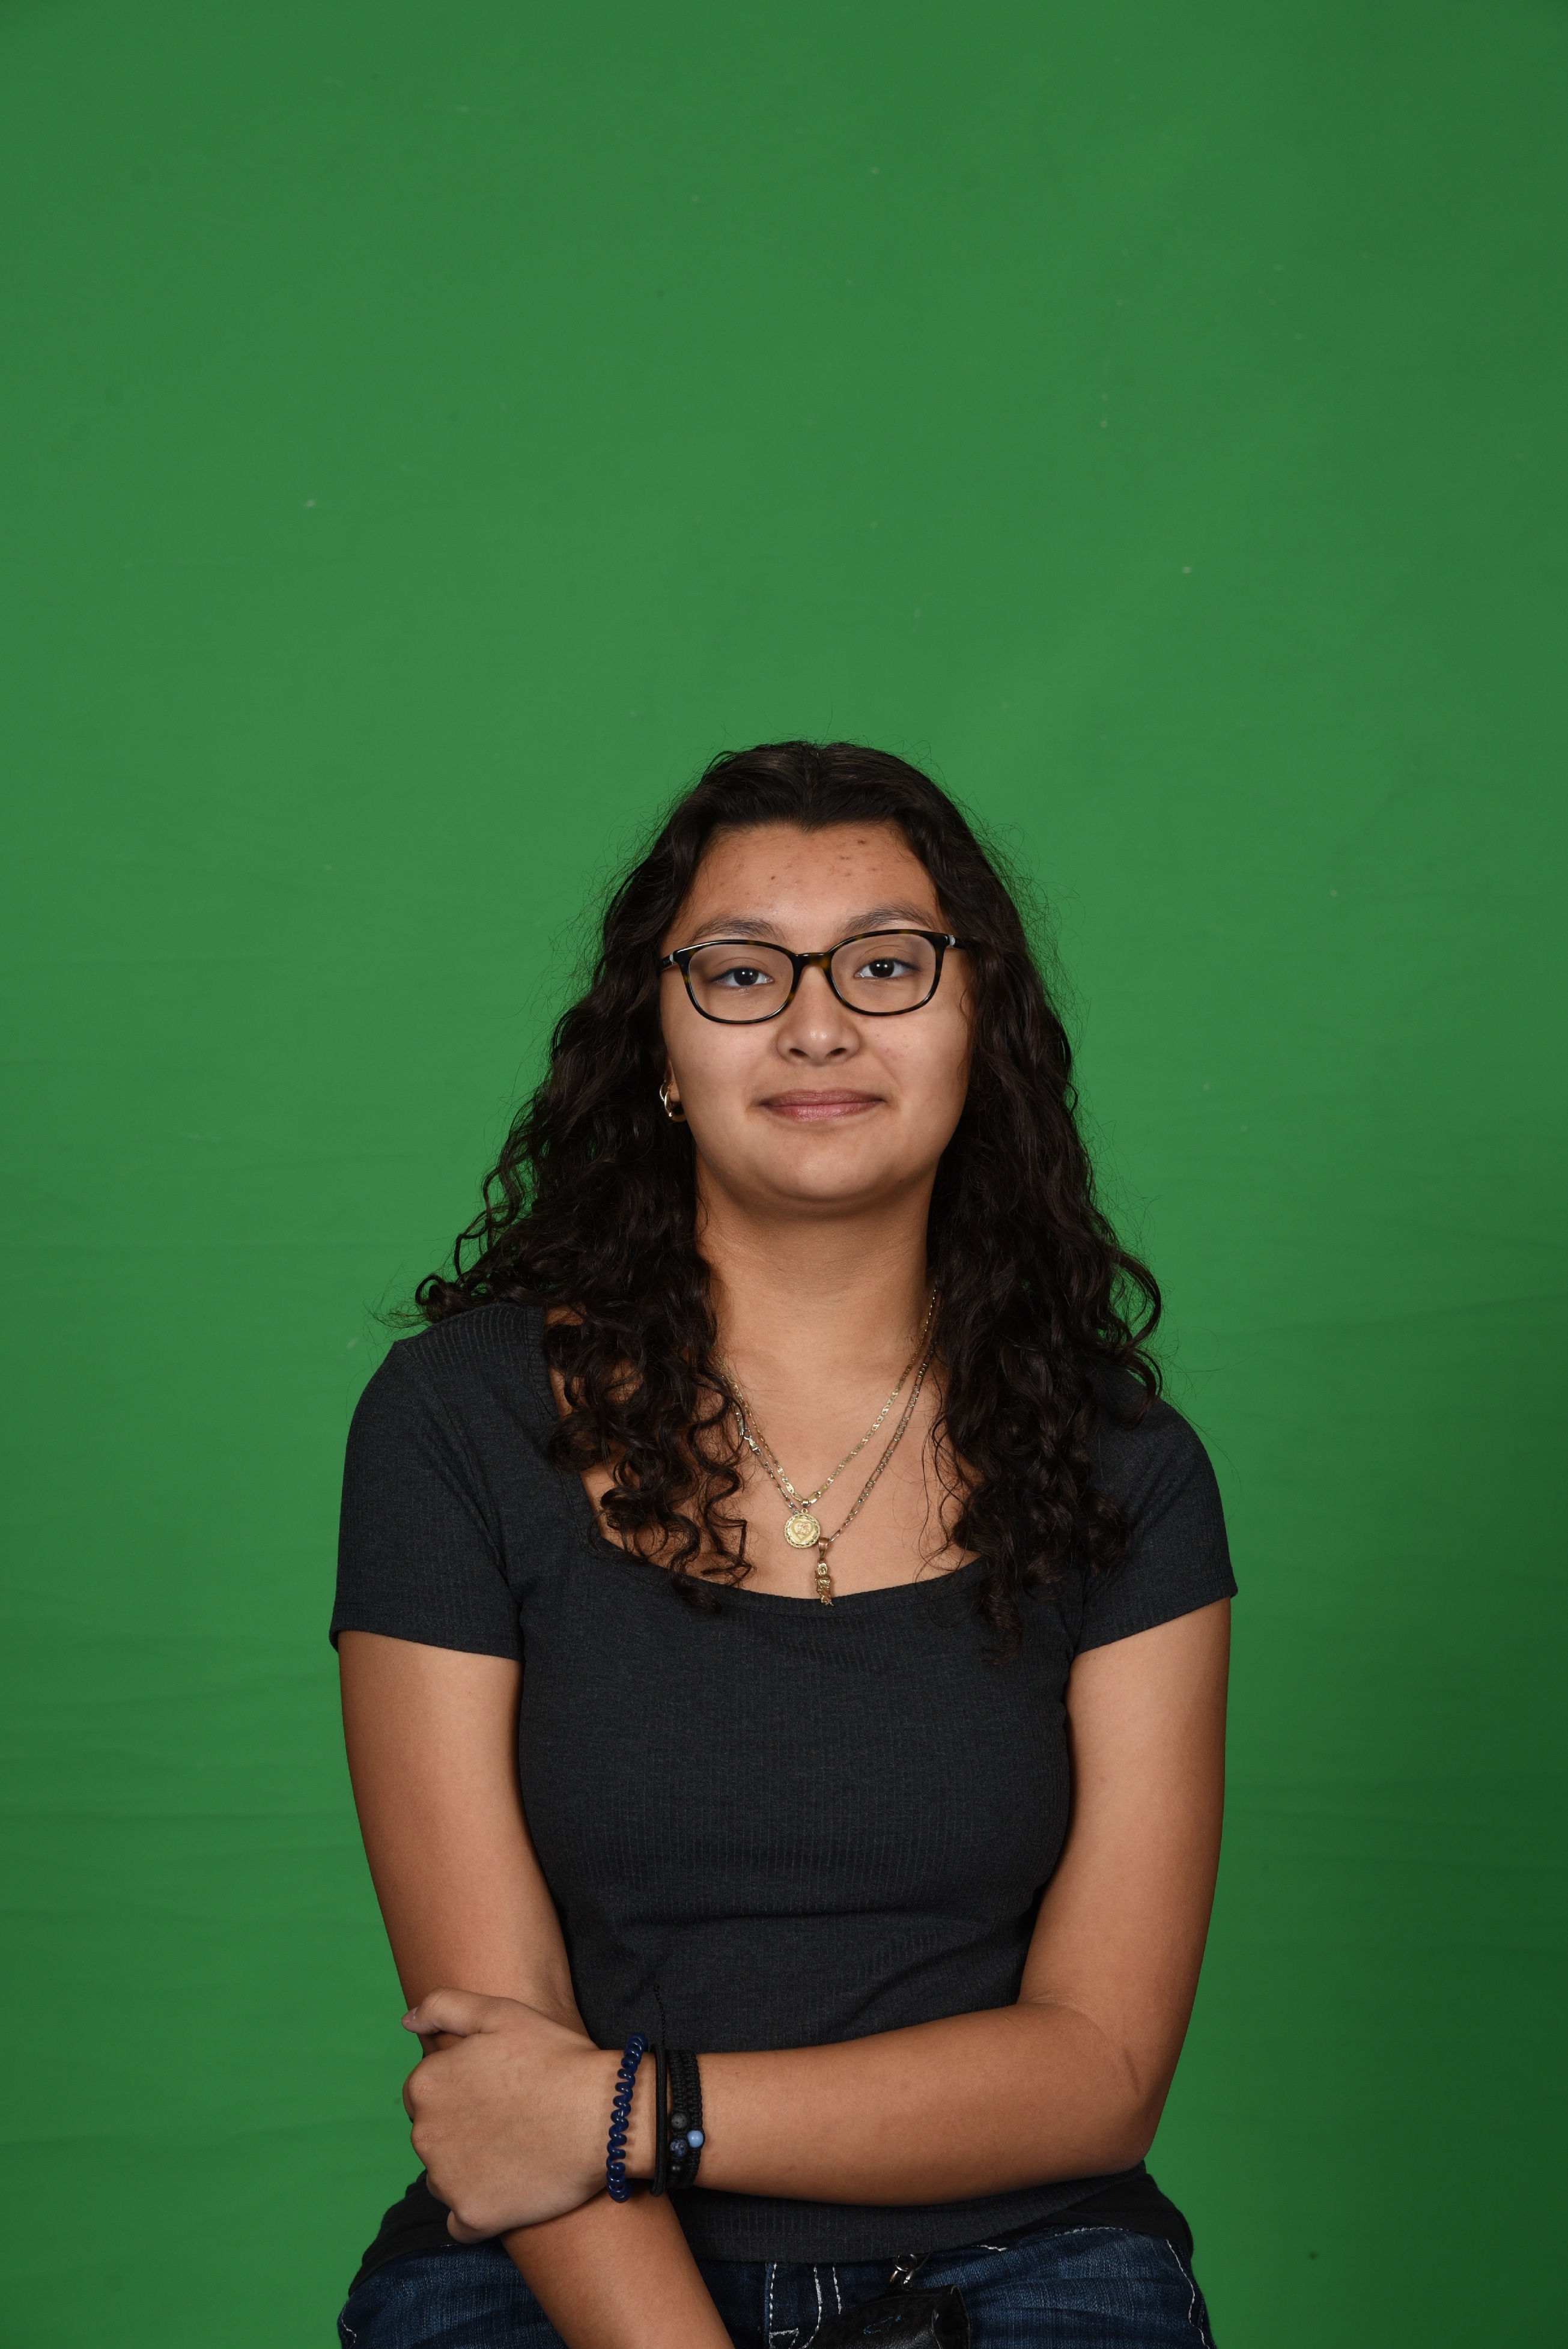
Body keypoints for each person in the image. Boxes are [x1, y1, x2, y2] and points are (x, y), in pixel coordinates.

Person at [332, 740, 1234, 2348]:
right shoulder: (455, 1423)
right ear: (660, 1049)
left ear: (979, 1032)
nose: (818, 1024)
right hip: (550, 2271)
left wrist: (634, 2113)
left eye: (886, 966)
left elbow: (1098, 2071)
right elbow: (497, 2069)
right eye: (743, 973)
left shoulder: (1128, 1472)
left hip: (1022, 2266)